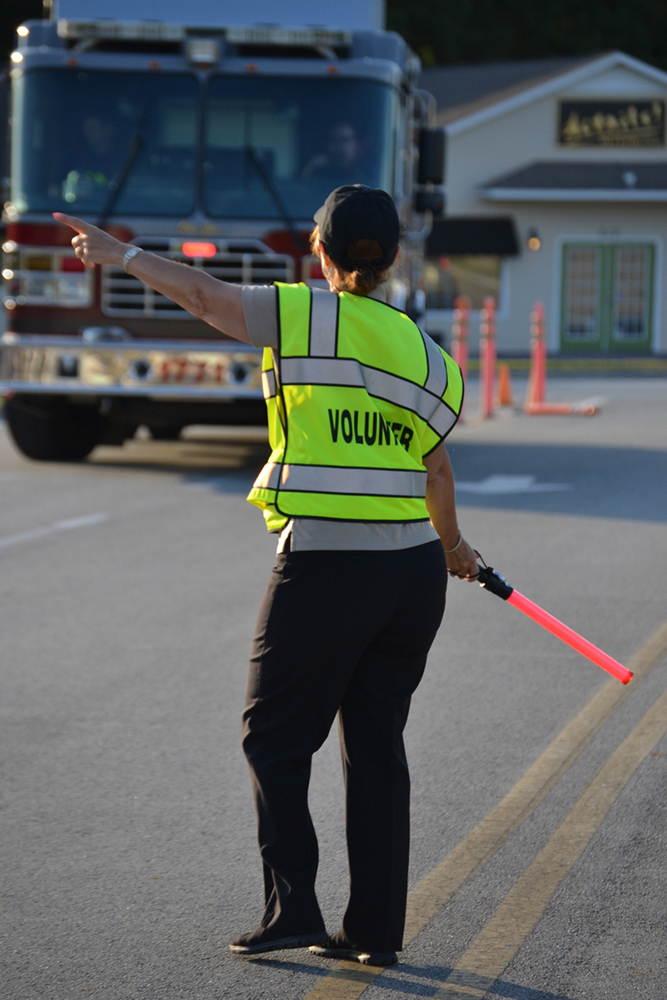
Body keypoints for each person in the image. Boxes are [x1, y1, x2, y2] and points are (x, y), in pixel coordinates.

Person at [55, 186, 479, 968]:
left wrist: (121, 257)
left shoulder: (302, 314)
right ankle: (376, 933)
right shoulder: (429, 354)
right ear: (389, 261)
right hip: (412, 574)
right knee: (377, 751)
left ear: (317, 251)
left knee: (274, 741)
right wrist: (453, 549)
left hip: (325, 565)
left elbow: (201, 295)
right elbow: (438, 468)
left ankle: (294, 908)